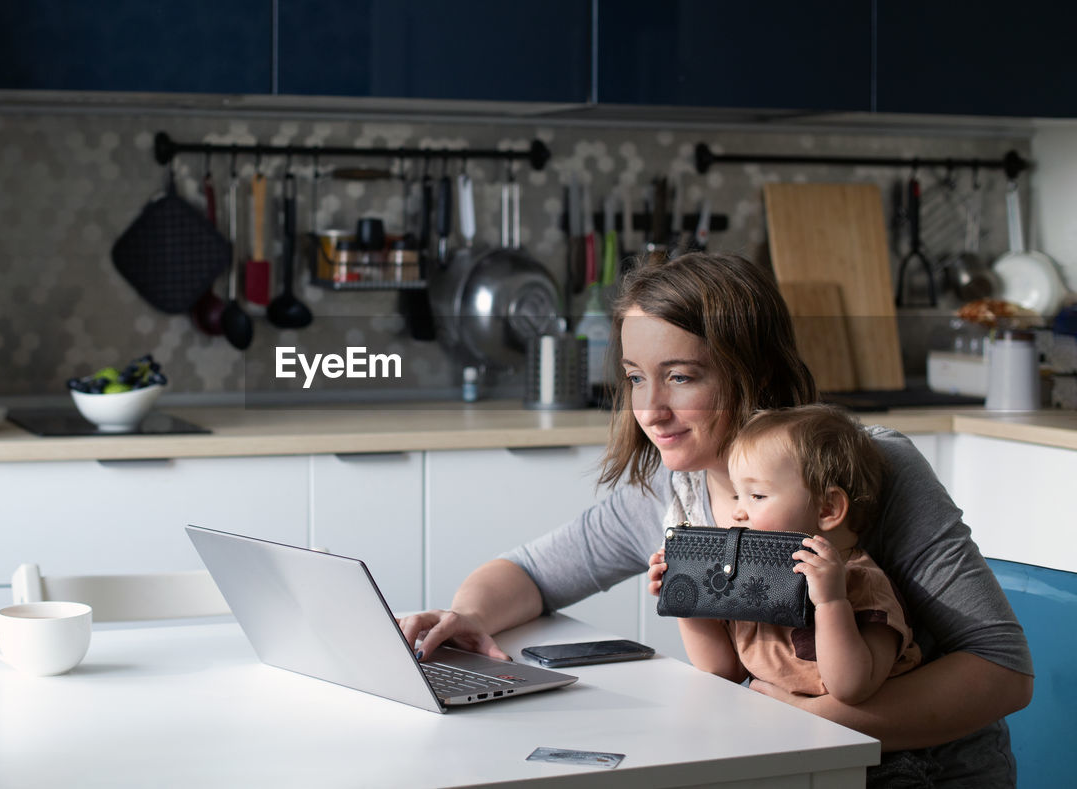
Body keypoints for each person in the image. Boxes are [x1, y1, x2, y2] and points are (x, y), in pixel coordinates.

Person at [400, 252, 1032, 787]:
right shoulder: (670, 490)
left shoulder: (869, 466)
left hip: (924, 769)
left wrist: (804, 719)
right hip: (782, 755)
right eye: (634, 378)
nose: (651, 410)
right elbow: (530, 573)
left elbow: (1003, 672)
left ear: (751, 373)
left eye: (681, 377)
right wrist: (471, 615)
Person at [662, 404, 921, 707]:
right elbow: (722, 670)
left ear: (828, 509)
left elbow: (851, 688)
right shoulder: (756, 580)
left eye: (756, 495)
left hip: (869, 750)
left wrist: (830, 603)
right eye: (737, 495)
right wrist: (684, 599)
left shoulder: (863, 584)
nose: (738, 511)